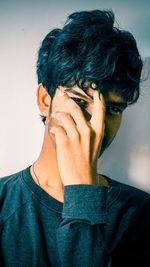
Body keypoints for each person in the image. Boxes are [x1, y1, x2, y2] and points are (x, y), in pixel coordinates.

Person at [0, 9, 150, 267]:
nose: (97, 126)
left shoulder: (142, 214)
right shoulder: (3, 204)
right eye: (80, 101)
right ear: (45, 100)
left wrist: (83, 192)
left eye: (113, 109)